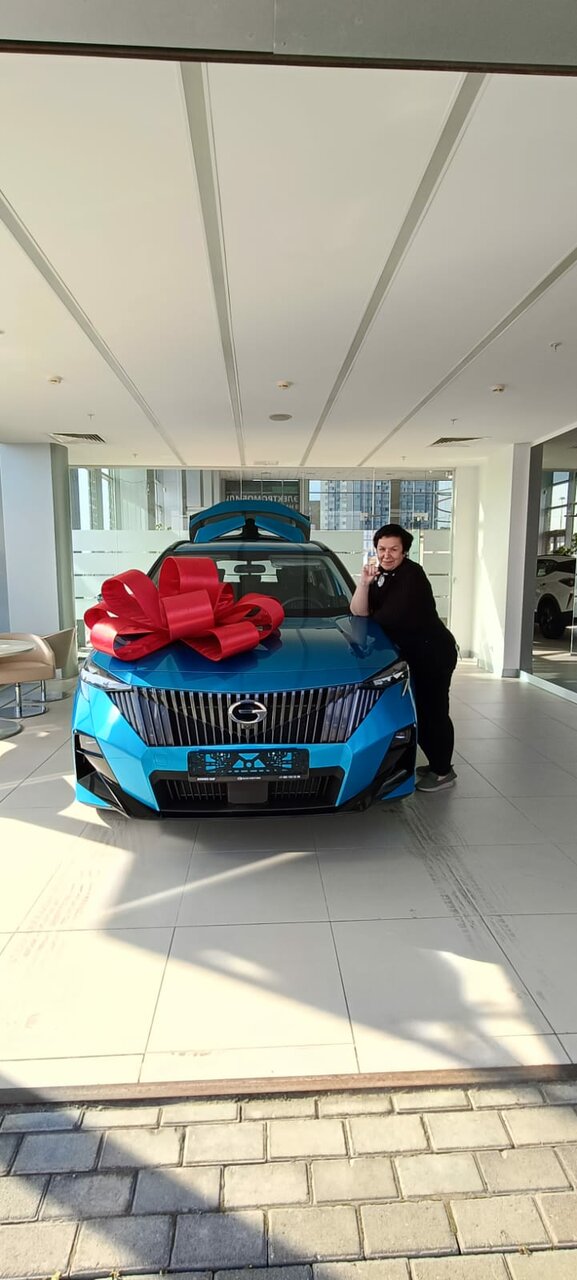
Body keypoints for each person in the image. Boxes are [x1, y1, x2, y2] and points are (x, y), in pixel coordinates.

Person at [350, 523, 459, 792]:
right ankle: (436, 764)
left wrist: (370, 618)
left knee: (433, 711)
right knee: (420, 710)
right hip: (412, 654)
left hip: (433, 653)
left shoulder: (412, 575)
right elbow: (358, 611)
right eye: (382, 549)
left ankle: (443, 772)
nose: (386, 555)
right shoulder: (381, 574)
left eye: (393, 550)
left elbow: (390, 617)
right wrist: (364, 584)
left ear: (404, 551)